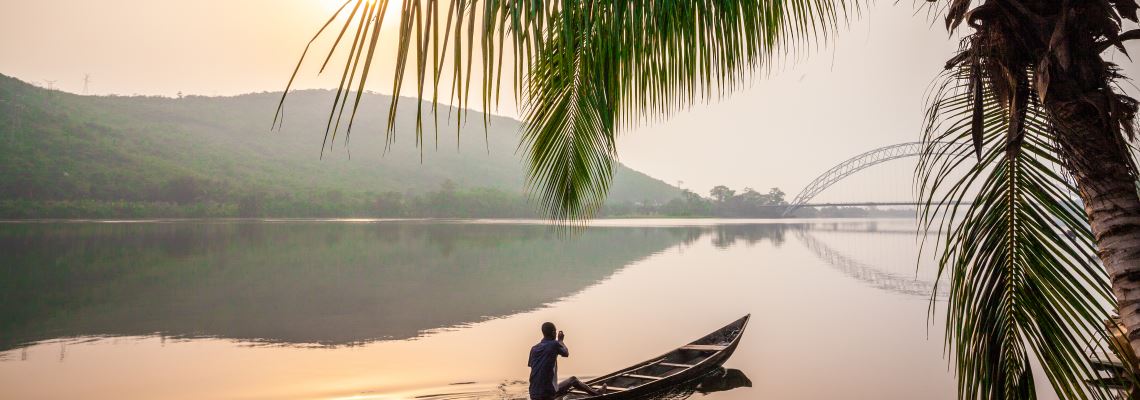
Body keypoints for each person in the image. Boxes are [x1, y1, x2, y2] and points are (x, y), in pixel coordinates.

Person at [528, 322, 604, 400]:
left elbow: (532, 366)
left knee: (558, 388)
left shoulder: (534, 349)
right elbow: (566, 353)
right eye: (555, 331)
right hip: (546, 394)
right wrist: (561, 341)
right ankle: (597, 393)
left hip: (533, 393)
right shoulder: (554, 344)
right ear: (553, 333)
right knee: (573, 380)